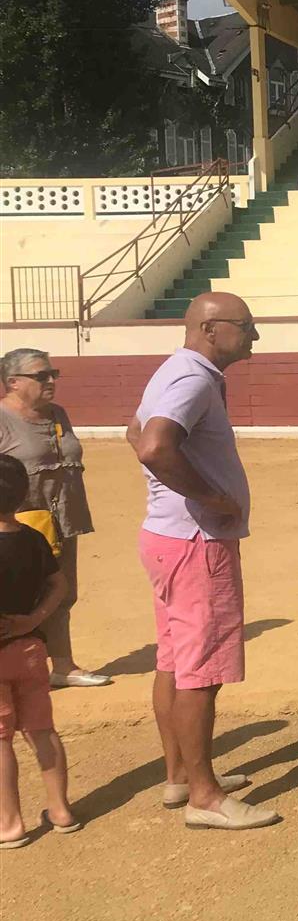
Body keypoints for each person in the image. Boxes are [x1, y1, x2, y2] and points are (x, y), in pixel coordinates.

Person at [129, 292, 278, 830]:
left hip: (169, 536)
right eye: (247, 325)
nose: (254, 335)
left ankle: (180, 775)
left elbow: (134, 432)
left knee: (174, 661)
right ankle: (204, 796)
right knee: (200, 671)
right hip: (197, 544)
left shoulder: (176, 370)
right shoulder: (192, 379)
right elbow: (153, 446)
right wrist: (212, 497)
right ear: (211, 329)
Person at [0, 348, 109, 688]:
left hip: (61, 519)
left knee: (61, 591)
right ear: (13, 382)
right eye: (41, 375)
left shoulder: (58, 414)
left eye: (53, 374)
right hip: (14, 528)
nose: (50, 381)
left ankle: (63, 665)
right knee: (13, 596)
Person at [0, 453, 77, 847]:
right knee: (42, 730)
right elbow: (59, 585)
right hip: (31, 648)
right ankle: (61, 809)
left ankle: (10, 824)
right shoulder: (33, 537)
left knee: (0, 740)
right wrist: (33, 620)